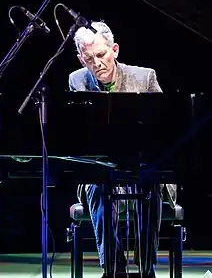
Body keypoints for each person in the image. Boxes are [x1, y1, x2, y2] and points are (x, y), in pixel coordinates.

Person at [68, 21, 177, 278]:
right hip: (101, 170)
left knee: (150, 181)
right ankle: (114, 269)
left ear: (114, 50)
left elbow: (167, 130)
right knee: (97, 183)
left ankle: (146, 267)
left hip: (142, 167)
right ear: (80, 58)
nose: (97, 64)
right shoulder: (77, 80)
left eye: (101, 55)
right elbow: (76, 137)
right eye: (88, 58)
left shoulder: (144, 77)